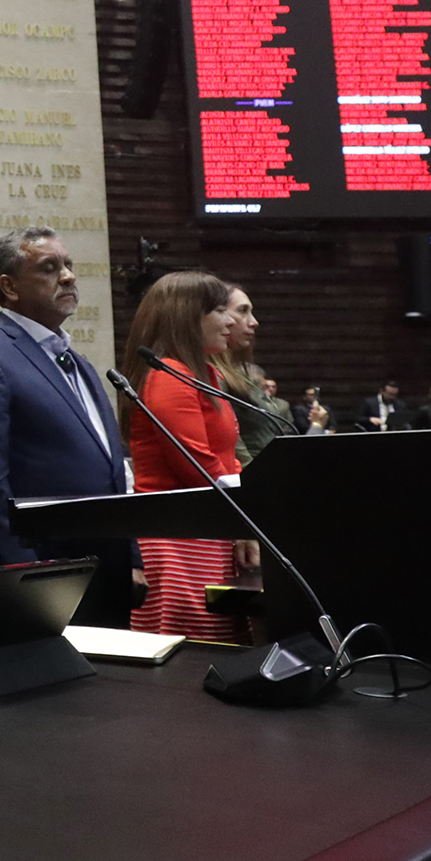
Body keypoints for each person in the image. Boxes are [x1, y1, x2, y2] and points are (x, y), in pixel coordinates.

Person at [0, 226, 133, 626]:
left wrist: (131, 556)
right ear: (9, 286)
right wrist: (22, 572)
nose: (68, 276)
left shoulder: (80, 363)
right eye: (49, 268)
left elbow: (110, 472)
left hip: (108, 570)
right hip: (44, 572)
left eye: (68, 265)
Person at [119, 271, 247, 641]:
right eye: (220, 310)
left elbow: (227, 458)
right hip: (178, 543)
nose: (230, 321)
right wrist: (250, 517)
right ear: (188, 317)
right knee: (194, 656)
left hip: (210, 532)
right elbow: (199, 468)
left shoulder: (202, 373)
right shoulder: (170, 376)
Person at [220, 286, 290, 466]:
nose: (254, 322)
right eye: (242, 311)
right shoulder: (213, 375)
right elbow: (238, 453)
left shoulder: (245, 372)